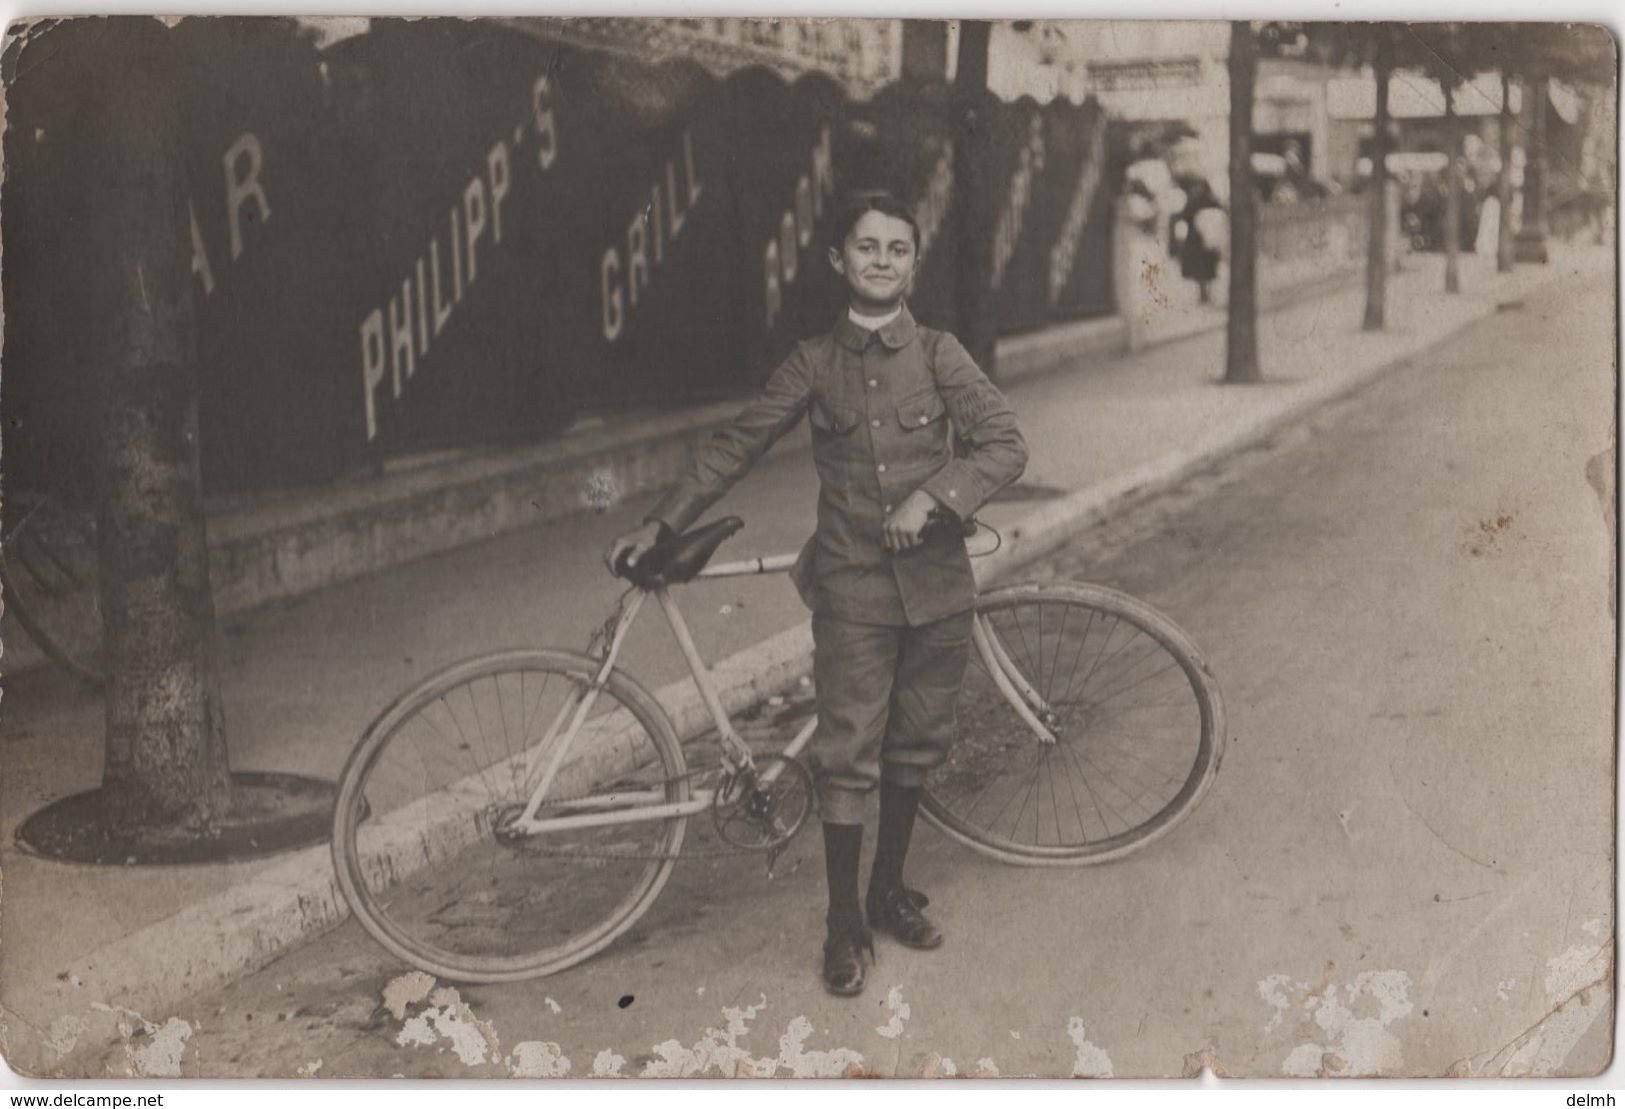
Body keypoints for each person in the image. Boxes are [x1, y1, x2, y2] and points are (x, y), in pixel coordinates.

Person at [604, 194, 1028, 997]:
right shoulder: (812, 362)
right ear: (838, 260)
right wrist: (662, 523)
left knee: (917, 741)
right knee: (846, 752)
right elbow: (737, 444)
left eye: (896, 249)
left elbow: (1004, 440)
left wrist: (934, 497)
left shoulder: (939, 353)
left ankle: (887, 889)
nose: (880, 261)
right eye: (865, 247)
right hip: (851, 589)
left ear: (911, 262)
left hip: (937, 586)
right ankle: (843, 923)